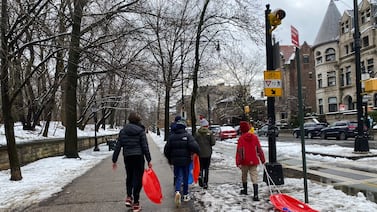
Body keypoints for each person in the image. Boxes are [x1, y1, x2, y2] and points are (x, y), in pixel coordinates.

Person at [112, 112, 152, 212]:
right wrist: (149, 160)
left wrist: (114, 160)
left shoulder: (123, 131)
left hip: (128, 157)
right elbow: (145, 146)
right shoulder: (141, 131)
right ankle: (136, 203)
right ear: (138, 121)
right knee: (138, 179)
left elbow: (118, 146)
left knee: (129, 176)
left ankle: (129, 197)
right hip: (138, 157)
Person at [164, 118, 200, 207]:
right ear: (184, 127)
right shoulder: (188, 136)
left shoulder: (172, 137)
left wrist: (170, 159)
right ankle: (185, 195)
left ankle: (177, 191)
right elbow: (196, 147)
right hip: (186, 161)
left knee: (178, 176)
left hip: (176, 161)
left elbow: (166, 150)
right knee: (185, 176)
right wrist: (195, 153)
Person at [235, 121, 265, 201]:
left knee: (244, 176)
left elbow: (239, 151)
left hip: (244, 160)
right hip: (254, 160)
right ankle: (256, 194)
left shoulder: (241, 139)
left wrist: (238, 161)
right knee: (254, 176)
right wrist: (262, 159)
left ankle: (245, 190)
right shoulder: (254, 137)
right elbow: (259, 149)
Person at [194, 118, 216, 189]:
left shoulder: (197, 133)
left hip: (199, 154)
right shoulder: (210, 133)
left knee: (200, 167)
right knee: (206, 168)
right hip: (208, 154)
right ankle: (206, 183)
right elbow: (213, 143)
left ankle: (200, 179)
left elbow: (194, 143)